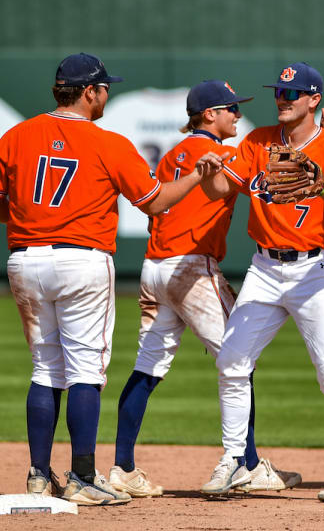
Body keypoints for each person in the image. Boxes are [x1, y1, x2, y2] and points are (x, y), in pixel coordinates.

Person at [0, 53, 226, 506]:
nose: (106, 94)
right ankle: (83, 475)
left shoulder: (16, 136)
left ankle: (39, 476)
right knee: (85, 371)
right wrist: (198, 179)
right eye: (104, 88)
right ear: (89, 92)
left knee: (45, 369)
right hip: (81, 260)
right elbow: (156, 201)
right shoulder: (108, 142)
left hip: (24, 260)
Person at [109, 80, 301, 498]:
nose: (237, 114)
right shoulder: (220, 154)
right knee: (238, 362)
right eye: (231, 108)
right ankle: (247, 465)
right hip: (192, 268)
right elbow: (274, 185)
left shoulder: (174, 154)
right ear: (209, 114)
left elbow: (155, 210)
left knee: (147, 366)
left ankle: (122, 467)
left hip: (154, 267)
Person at [200, 62, 324, 502]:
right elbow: (221, 188)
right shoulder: (257, 142)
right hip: (264, 269)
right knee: (232, 362)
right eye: (279, 91)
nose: (283, 98)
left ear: (314, 99)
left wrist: (323, 189)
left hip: (314, 270)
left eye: (292, 93)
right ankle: (235, 461)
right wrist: (207, 172)